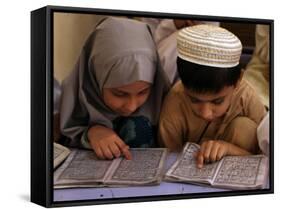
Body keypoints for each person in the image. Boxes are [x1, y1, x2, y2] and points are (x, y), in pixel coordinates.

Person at [60, 17, 170, 160]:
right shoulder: (69, 100)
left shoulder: (166, 102)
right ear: (95, 77)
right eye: (120, 94)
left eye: (143, 92)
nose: (131, 107)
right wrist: (92, 132)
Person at [158, 24, 266, 168]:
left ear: (238, 80)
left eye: (217, 101)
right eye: (194, 100)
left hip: (237, 171)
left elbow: (267, 156)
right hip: (190, 177)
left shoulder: (246, 96)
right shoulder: (175, 101)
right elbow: (169, 160)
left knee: (244, 128)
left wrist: (229, 149)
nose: (206, 113)